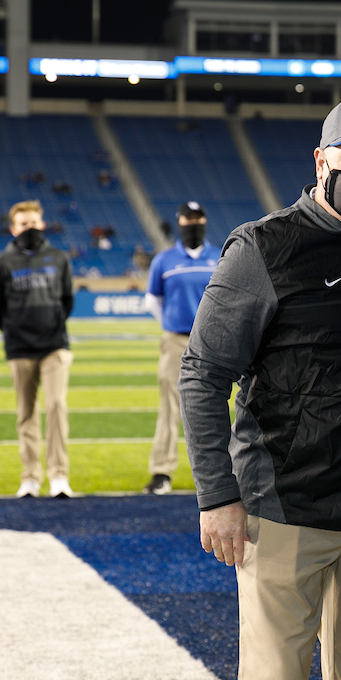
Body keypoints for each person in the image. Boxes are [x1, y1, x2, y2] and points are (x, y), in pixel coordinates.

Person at [180, 99, 341, 680]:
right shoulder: (263, 249)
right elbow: (202, 375)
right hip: (288, 503)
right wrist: (217, 496)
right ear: (322, 160)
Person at [0, 200, 76, 498]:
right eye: (24, 224)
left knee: (56, 407)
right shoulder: (2, 263)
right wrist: (15, 331)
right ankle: (30, 477)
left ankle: (59, 476)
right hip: (20, 349)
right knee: (26, 414)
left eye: (35, 222)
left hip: (54, 346)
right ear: (13, 229)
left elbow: (67, 301)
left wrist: (51, 326)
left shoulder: (58, 257)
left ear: (43, 224)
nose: (30, 228)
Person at [141, 201, 218, 495]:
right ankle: (162, 471)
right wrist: (172, 324)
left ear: (204, 220)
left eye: (197, 217)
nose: (192, 222)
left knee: (220, 405)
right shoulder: (164, 259)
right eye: (187, 218)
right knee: (169, 405)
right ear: (179, 221)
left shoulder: (221, 254)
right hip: (176, 340)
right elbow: (153, 301)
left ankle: (229, 472)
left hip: (214, 340)